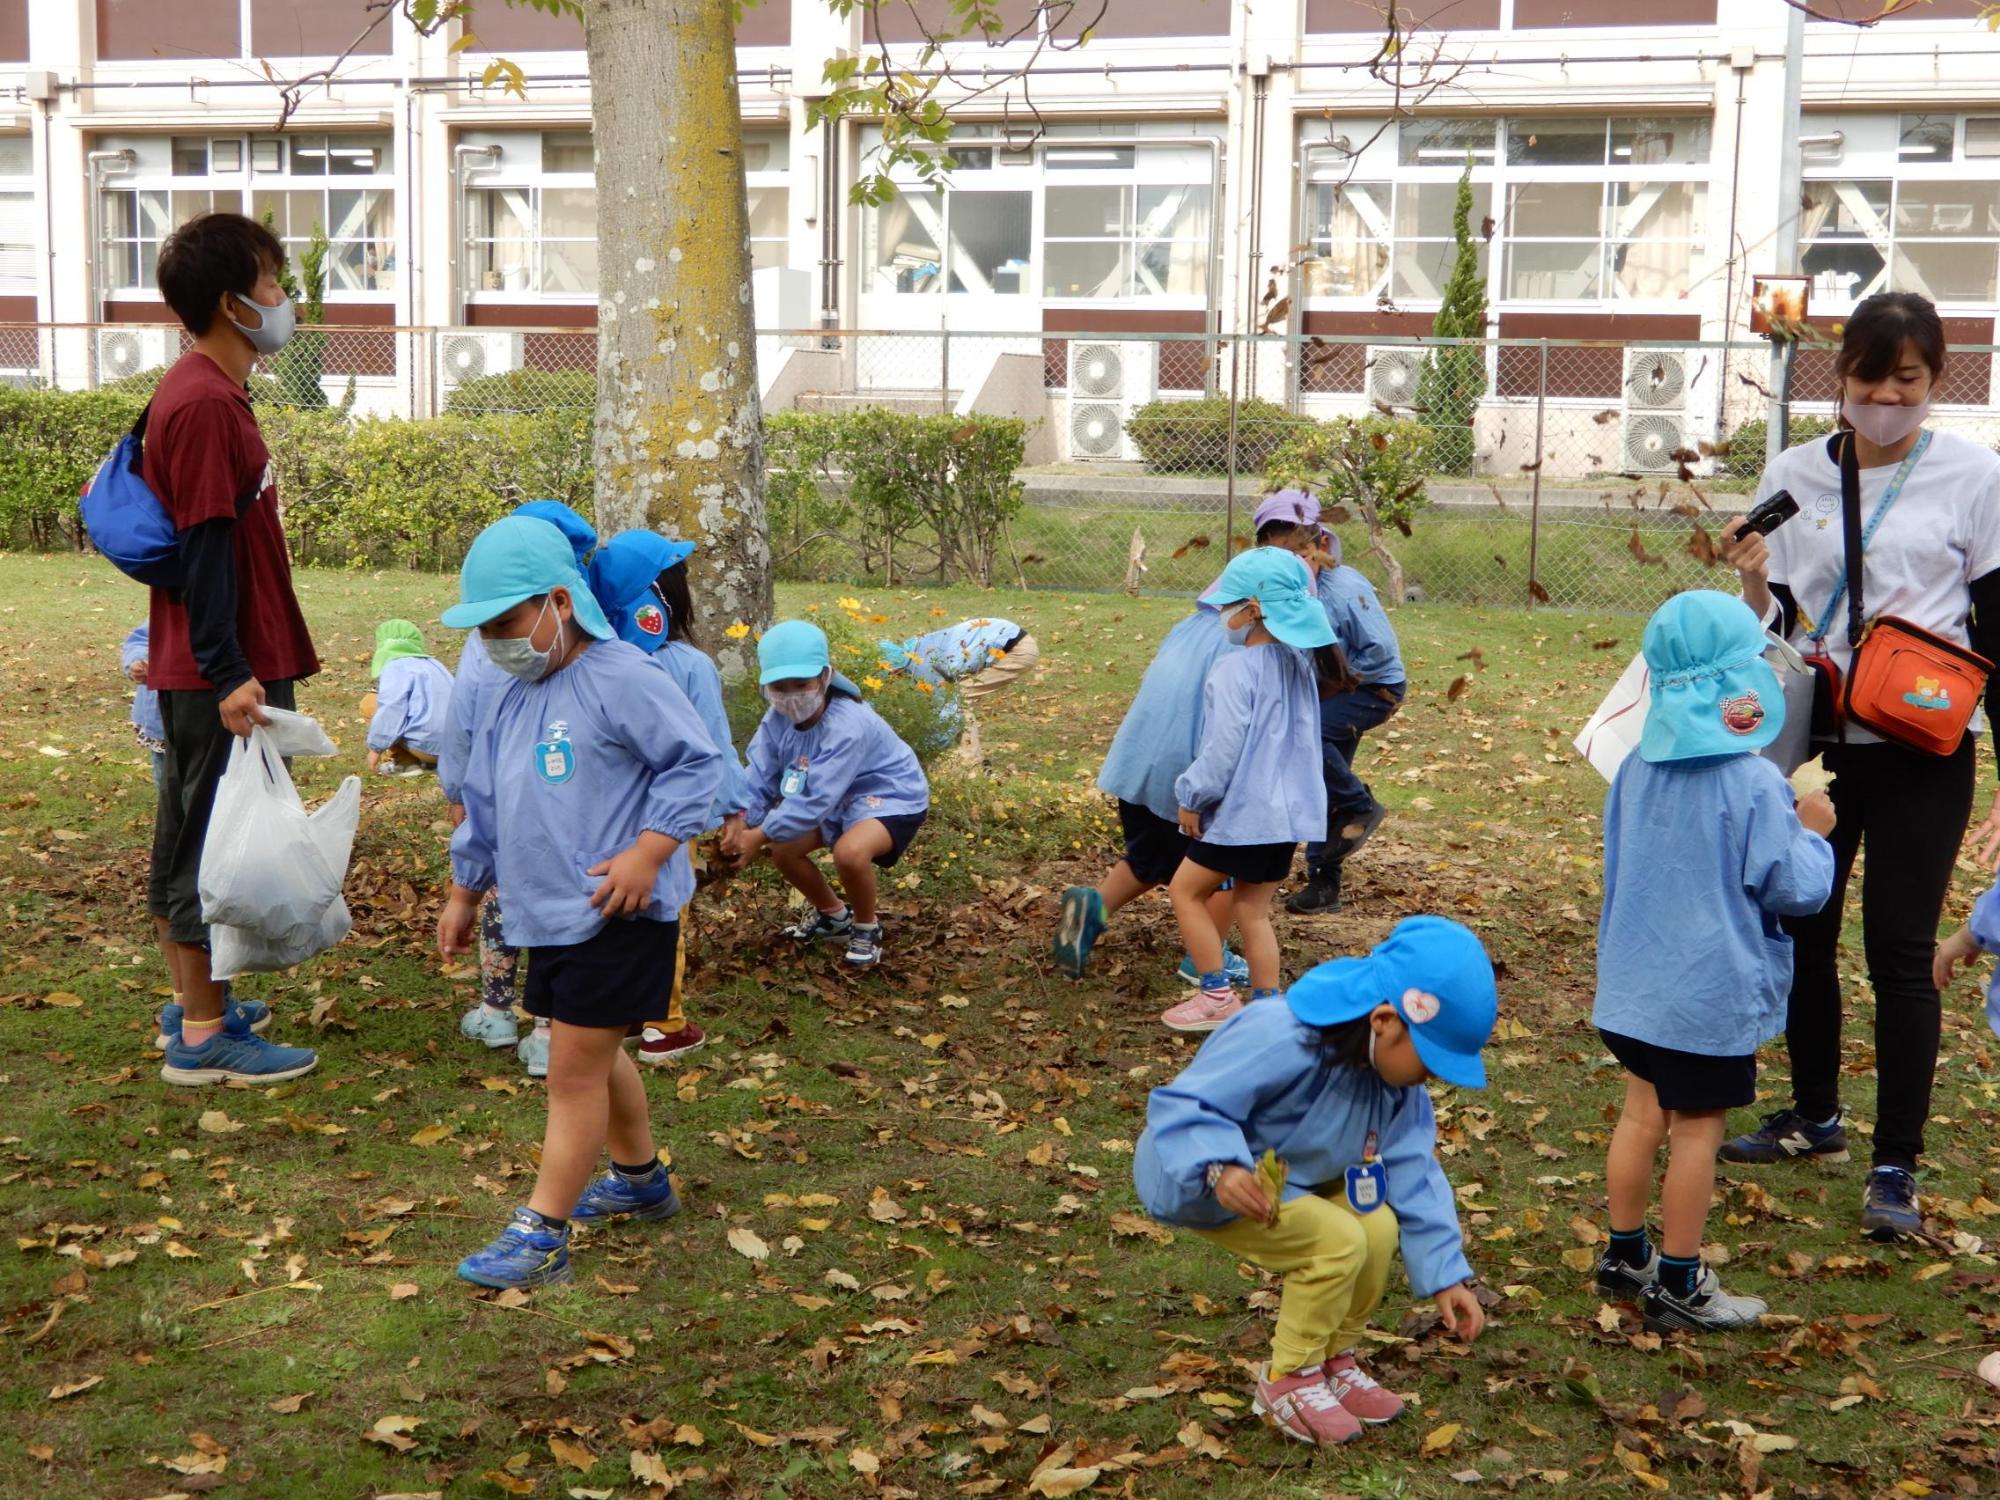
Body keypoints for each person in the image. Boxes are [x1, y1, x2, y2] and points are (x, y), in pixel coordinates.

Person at [1717, 291, 2000, 1239]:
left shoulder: (1974, 476)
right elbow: (1781, 628)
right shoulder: (1797, 471)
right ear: (1839, 378)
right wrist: (1754, 580)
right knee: (1804, 927)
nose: (1886, 397)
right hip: (1821, 747)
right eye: (1869, 380)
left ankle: (1896, 1164)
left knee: (1902, 956)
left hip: (1926, 748)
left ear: (1935, 381)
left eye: (1907, 380)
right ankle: (1816, 1115)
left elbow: (1995, 630)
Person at [438, 515, 722, 1290]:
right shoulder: (506, 690)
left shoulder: (621, 675)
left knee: (571, 1074)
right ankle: (639, 1179)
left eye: (505, 623)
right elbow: (484, 799)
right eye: (484, 629)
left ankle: (543, 1233)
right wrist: (466, 889)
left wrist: (648, 851)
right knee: (592, 1053)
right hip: (545, 914)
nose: (495, 641)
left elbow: (695, 766)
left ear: (559, 603)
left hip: (616, 914)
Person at [1133, 917, 1495, 1448]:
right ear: (1385, 1021)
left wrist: (1445, 1274)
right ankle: (1289, 1378)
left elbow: (1414, 1169)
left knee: (1376, 1227)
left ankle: (1333, 1359)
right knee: (1337, 1240)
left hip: (1294, 1181)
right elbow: (1188, 1102)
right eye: (1431, 1061)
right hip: (1200, 1176)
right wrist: (1219, 1167)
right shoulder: (1277, 1033)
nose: (1432, 1078)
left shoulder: (1394, 1082)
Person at [1591, 592, 1836, 1333]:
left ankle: (1624, 1255)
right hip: (1705, 1002)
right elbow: (1795, 889)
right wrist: (1811, 830)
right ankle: (1679, 1282)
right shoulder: (1757, 782)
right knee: (1697, 1131)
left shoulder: (1635, 767)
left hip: (1634, 992)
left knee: (1641, 1116)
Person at [145, 211, 319, 1087]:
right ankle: (207, 1036)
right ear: (230, 301)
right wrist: (230, 671)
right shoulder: (205, 402)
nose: (285, 299)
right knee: (213, 845)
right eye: (274, 282)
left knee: (194, 832)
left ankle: (197, 1006)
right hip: (222, 665)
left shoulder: (206, 390)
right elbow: (207, 545)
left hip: (217, 657)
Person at [442, 499, 598, 1080]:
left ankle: (501, 1011)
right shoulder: (517, 632)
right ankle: (545, 1030)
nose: (493, 639)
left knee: (523, 907)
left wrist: (454, 786)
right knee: (525, 904)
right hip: (521, 818)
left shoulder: (602, 667)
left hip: (541, 831)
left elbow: (461, 718)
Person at [589, 528, 751, 1064]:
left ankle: (621, 1009)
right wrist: (733, 808)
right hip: (667, 823)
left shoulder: (594, 660)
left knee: (614, 909)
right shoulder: (688, 666)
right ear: (662, 599)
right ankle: (665, 1023)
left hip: (605, 820)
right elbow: (712, 742)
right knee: (664, 914)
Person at [1164, 546, 1342, 1033]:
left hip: (1245, 816)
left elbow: (1222, 751)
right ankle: (1267, 1006)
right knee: (1252, 909)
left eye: (1230, 602)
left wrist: (1192, 796)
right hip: (1287, 819)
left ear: (1254, 608)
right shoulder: (1299, 665)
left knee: (1185, 892)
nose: (1224, 612)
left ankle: (1217, 997)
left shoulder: (1233, 670)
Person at [1050, 599, 1255, 991]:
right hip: (1191, 778)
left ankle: (1093, 909)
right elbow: (1227, 731)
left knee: (1150, 856)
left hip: (1140, 764)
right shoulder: (1244, 646)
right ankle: (1207, 958)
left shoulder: (1189, 627)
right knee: (1221, 869)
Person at [721, 620, 929, 969]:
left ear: (824, 676)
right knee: (785, 850)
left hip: (888, 794)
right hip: (835, 796)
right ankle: (834, 917)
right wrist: (741, 819)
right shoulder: (776, 719)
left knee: (850, 853)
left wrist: (759, 834)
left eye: (801, 684)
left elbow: (816, 799)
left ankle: (866, 927)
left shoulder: (846, 725)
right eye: (779, 687)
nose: (790, 696)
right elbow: (759, 774)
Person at [1249, 492, 1407, 918]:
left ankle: (1360, 806)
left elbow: (1378, 654)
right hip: (1332, 690)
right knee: (1323, 770)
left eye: (1297, 554)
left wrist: (1331, 688)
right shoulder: (1295, 589)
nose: (1288, 565)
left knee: (1308, 740)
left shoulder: (1343, 588)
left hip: (1374, 688)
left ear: (1317, 546)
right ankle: (1324, 884)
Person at [877, 616, 1039, 767]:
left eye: (889, 678)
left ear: (895, 671)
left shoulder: (924, 665)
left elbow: (947, 712)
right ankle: (974, 761)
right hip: (1012, 641)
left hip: (1016, 649)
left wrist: (923, 752)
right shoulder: (917, 648)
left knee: (958, 700)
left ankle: (971, 765)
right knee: (959, 698)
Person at [361, 619, 452, 776]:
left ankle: (406, 763)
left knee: (369, 703)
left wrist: (375, 748)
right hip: (459, 749)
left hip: (429, 748)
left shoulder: (395, 667)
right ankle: (430, 763)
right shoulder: (435, 664)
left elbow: (392, 709)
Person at [121, 622, 166, 789]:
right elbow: (139, 639)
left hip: (209, 715)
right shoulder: (170, 608)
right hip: (160, 715)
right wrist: (137, 661)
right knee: (166, 780)